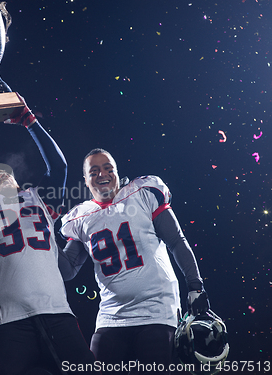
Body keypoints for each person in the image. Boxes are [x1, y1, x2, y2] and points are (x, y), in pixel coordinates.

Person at [0, 96, 100, 375]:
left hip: (58, 314)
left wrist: (30, 121)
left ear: (19, 184)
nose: (0, 176)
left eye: (6, 175)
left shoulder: (35, 198)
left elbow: (59, 167)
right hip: (11, 322)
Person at [58, 148, 211, 375]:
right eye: (95, 171)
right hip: (111, 316)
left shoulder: (141, 193)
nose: (103, 174)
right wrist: (45, 237)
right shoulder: (82, 217)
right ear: (86, 180)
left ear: (117, 172)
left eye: (109, 168)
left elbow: (177, 241)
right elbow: (68, 269)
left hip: (156, 310)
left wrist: (195, 285)